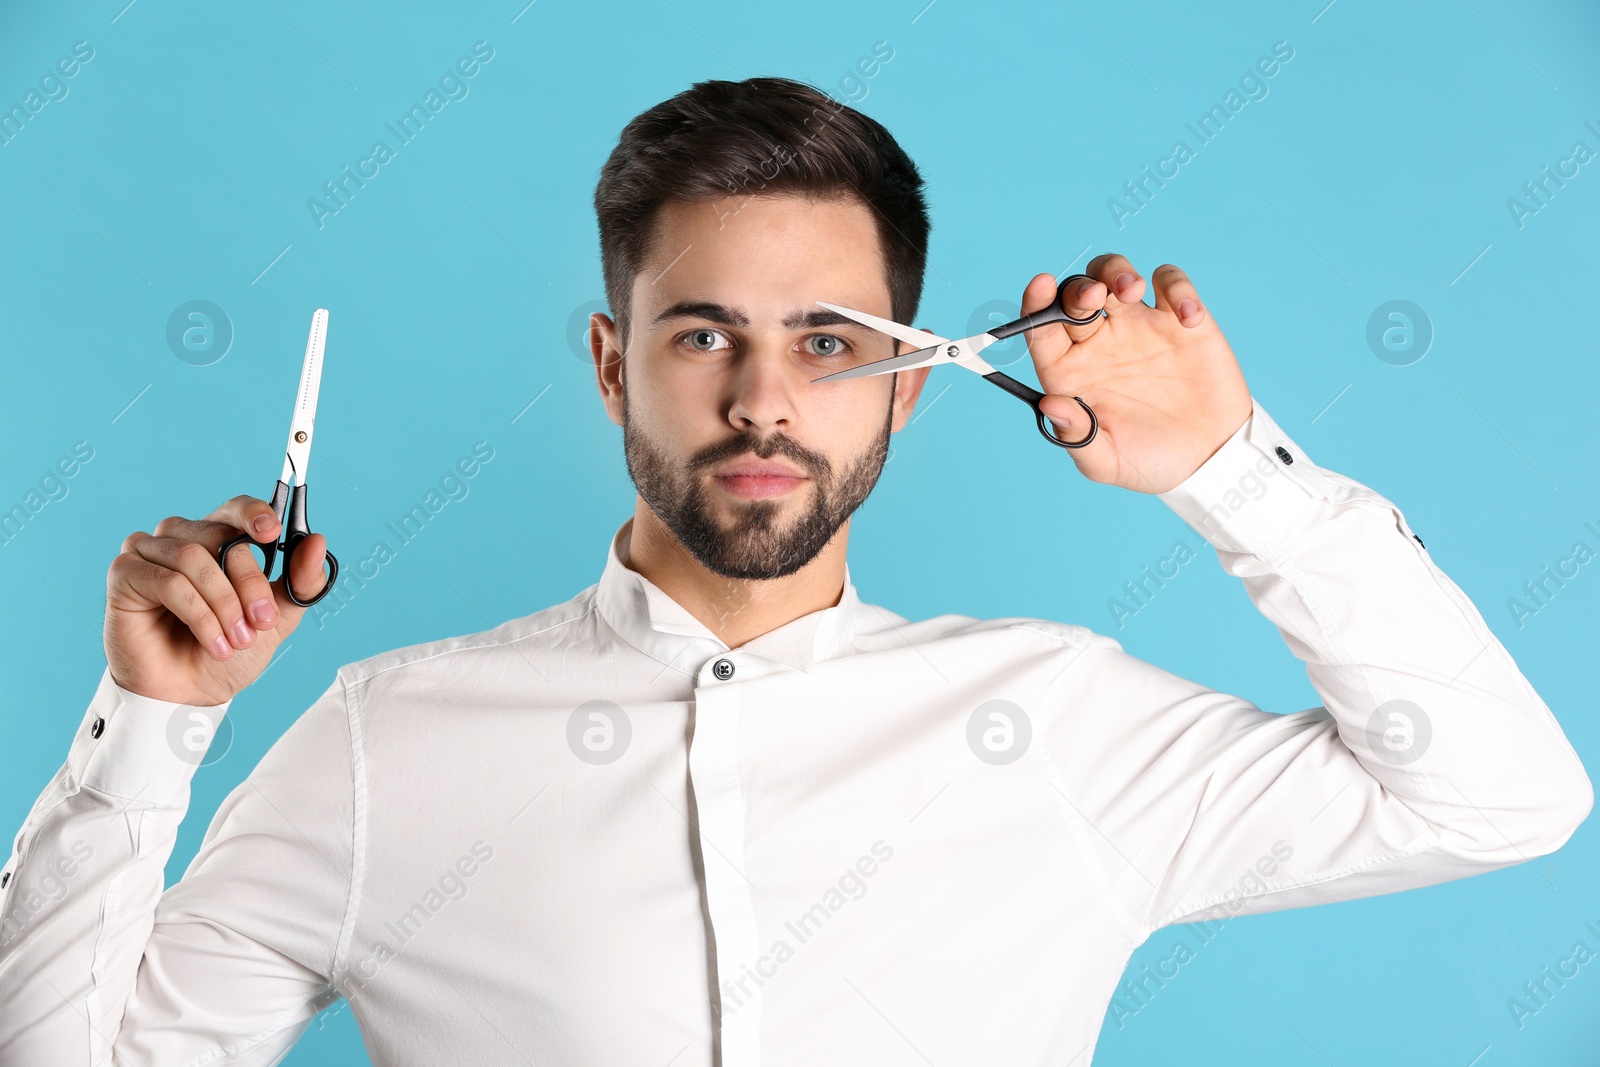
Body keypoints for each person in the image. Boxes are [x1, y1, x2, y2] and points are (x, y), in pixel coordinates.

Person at [0, 75, 1590, 1067]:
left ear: (909, 380)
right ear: (615, 366)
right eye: (706, 337)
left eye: (828, 343)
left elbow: (1504, 797)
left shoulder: (1059, 727)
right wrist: (149, 727)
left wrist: (1233, 470)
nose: (764, 400)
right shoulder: (377, 741)